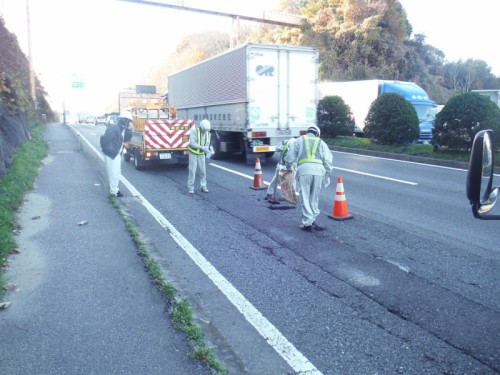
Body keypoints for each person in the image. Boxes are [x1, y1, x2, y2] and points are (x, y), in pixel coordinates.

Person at [285, 125, 333, 231]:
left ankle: (307, 223)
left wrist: (288, 166)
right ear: (317, 133)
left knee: (305, 197)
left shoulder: (299, 140)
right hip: (319, 171)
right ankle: (313, 219)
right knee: (314, 197)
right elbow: (328, 161)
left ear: (307, 132)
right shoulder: (321, 142)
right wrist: (327, 174)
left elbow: (290, 157)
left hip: (304, 171)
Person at [99, 112, 131, 197]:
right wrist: (109, 149)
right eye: (129, 121)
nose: (130, 123)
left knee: (116, 172)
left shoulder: (122, 129)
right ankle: (113, 191)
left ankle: (114, 189)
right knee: (113, 172)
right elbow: (105, 139)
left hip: (116, 153)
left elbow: (127, 139)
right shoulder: (114, 128)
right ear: (125, 120)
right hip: (111, 153)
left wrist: (128, 129)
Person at [265, 137, 296, 202]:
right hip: (288, 166)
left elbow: (277, 149)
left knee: (275, 179)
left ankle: (269, 193)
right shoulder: (296, 146)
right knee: (291, 181)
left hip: (280, 165)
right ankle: (288, 196)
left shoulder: (284, 142)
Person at [187, 119, 212, 194]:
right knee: (192, 171)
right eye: (204, 130)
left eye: (206, 130)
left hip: (201, 154)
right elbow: (192, 143)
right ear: (201, 127)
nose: (205, 131)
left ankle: (203, 186)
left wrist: (207, 151)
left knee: (203, 171)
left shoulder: (208, 134)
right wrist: (201, 147)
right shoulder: (194, 131)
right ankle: (191, 188)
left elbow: (207, 144)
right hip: (193, 153)